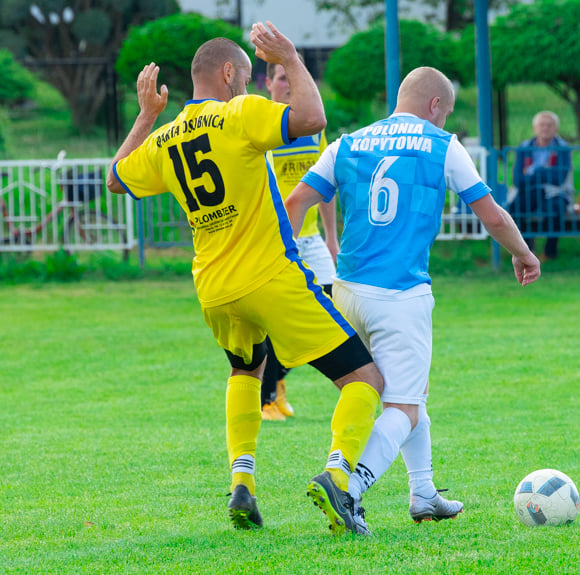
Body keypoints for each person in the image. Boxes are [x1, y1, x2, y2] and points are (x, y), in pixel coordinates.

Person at [105, 22, 383, 536]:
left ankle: (244, 486)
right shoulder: (240, 112)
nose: (251, 84)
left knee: (246, 372)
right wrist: (293, 58)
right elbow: (312, 118)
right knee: (365, 380)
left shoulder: (166, 138)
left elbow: (116, 178)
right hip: (268, 277)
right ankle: (337, 476)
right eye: (249, 75)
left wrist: (146, 116)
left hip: (213, 289)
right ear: (230, 73)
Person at [286, 66, 541, 533]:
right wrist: (524, 254)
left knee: (410, 392)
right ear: (436, 106)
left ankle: (423, 494)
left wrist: (286, 262)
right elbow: (493, 215)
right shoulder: (443, 146)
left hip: (345, 292)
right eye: (446, 113)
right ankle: (348, 491)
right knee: (401, 407)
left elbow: (296, 201)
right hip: (399, 296)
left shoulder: (347, 143)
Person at [259, 59, 338, 422]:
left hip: (310, 239)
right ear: (267, 84)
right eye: (280, 78)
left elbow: (325, 189)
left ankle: (278, 380)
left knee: (334, 308)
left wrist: (332, 239)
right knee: (281, 320)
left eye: (292, 77)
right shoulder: (261, 128)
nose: (288, 84)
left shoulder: (312, 128)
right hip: (275, 239)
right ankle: (267, 397)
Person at [508, 111, 572, 261]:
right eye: (542, 125)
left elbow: (559, 178)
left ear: (556, 129)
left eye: (550, 125)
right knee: (515, 209)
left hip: (556, 192)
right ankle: (526, 251)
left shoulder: (563, 148)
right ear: (534, 128)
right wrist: (545, 172)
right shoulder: (524, 147)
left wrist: (534, 172)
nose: (545, 128)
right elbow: (518, 179)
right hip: (529, 190)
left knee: (554, 210)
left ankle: (549, 253)